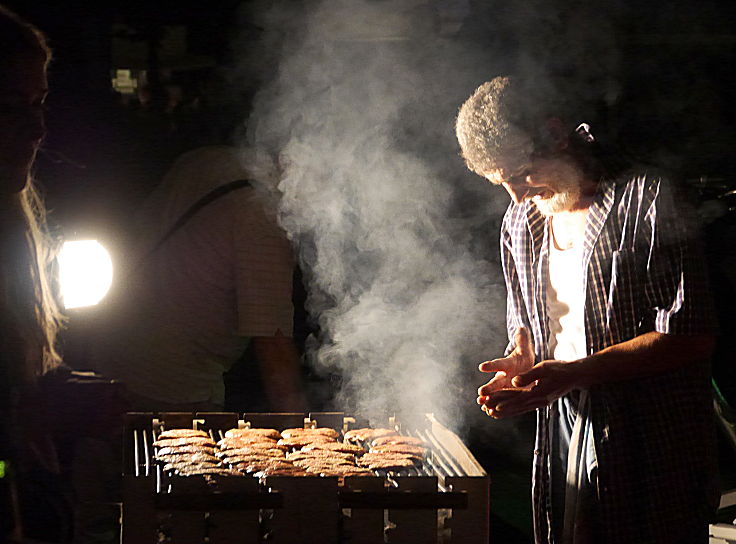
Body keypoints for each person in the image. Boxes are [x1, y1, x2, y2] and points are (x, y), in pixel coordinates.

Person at [456, 76, 719, 543]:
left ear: (557, 134)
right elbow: (530, 323)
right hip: (565, 425)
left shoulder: (647, 199)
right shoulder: (520, 221)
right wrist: (521, 359)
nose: (516, 195)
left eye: (522, 174)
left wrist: (576, 372)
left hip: (649, 439)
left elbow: (690, 336)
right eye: (503, 184)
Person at [93, 145, 304, 412]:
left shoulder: (207, 159)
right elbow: (273, 345)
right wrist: (297, 427)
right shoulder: (261, 216)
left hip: (112, 349)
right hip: (174, 382)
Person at [0, 4, 66, 540]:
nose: (38, 128)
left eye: (40, 103)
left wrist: (56, 389)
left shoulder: (13, 229)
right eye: (11, 107)